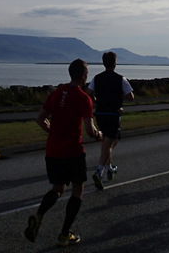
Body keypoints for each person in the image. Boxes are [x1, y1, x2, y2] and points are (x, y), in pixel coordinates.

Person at [24, 58, 103, 247]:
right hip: (73, 151)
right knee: (77, 190)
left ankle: (39, 215)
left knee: (58, 188)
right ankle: (64, 234)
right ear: (84, 76)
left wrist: (52, 131)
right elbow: (89, 130)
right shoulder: (84, 99)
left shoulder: (57, 92)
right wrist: (98, 134)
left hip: (52, 149)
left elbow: (40, 118)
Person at [86, 51, 135, 189]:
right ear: (114, 63)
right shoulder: (120, 79)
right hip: (113, 114)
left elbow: (88, 94)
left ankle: (109, 168)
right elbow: (130, 96)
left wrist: (96, 101)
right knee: (109, 143)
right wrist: (118, 100)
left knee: (109, 140)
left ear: (103, 63)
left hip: (100, 113)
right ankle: (99, 171)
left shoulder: (97, 78)